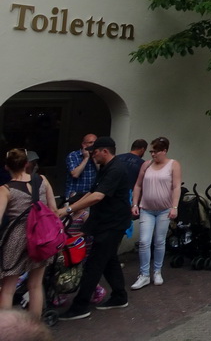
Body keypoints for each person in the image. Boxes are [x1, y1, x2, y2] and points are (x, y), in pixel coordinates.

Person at [59, 136, 133, 321]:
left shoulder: (116, 169)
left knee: (94, 265)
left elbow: (97, 197)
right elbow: (92, 193)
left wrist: (67, 210)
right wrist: (72, 211)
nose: (92, 156)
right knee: (109, 261)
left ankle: (80, 306)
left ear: (104, 151)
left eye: (94, 152)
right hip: (105, 222)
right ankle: (119, 296)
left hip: (113, 224)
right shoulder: (106, 168)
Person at [0, 148, 58, 319]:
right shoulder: (42, 180)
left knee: (8, 288)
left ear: (6, 167)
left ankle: (6, 331)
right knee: (35, 285)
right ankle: (34, 329)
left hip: (16, 238)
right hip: (42, 236)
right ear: (27, 164)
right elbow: (53, 209)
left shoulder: (5, 189)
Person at [130, 136, 182, 290]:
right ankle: (144, 274)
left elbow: (176, 187)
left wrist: (174, 207)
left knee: (159, 241)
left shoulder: (173, 165)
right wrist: (135, 203)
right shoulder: (146, 165)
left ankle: (157, 271)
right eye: (151, 152)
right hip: (146, 208)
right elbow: (138, 185)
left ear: (164, 151)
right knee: (144, 241)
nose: (152, 154)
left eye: (156, 152)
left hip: (164, 209)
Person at [63, 133, 96, 203]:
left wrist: (94, 157)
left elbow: (102, 171)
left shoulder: (96, 156)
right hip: (74, 195)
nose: (93, 145)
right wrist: (86, 158)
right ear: (84, 144)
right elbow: (75, 174)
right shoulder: (73, 155)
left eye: (95, 143)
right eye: (90, 142)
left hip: (89, 195)